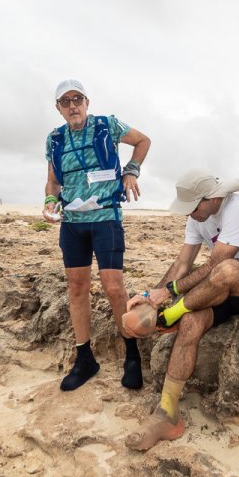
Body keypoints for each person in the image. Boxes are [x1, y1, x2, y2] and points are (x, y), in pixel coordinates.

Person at [122, 168, 239, 450]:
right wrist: (149, 298)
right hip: (220, 292)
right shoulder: (198, 217)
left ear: (212, 198)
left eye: (192, 207)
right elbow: (181, 264)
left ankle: (172, 315)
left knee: (228, 268)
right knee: (191, 322)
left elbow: (216, 266)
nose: (189, 214)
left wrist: (170, 296)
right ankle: (167, 414)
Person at [43, 79, 151, 391]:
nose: (73, 105)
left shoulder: (107, 125)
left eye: (77, 99)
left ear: (87, 102)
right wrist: (50, 201)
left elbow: (143, 141)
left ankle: (132, 355)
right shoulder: (55, 139)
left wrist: (131, 171)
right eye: (66, 101)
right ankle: (85, 359)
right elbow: (53, 181)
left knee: (114, 288)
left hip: (106, 219)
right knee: (77, 288)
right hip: (72, 223)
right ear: (58, 108)